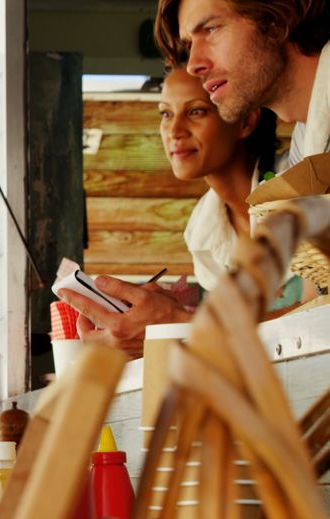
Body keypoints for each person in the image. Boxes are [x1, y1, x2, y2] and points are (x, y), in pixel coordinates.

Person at [58, 67, 289, 358]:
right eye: (165, 114)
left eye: (196, 112)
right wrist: (155, 325)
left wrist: (177, 324)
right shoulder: (202, 230)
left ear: (245, 121)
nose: (175, 131)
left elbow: (319, 311)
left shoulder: (298, 189)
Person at [154, 0, 330, 159]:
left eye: (211, 29)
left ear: (275, 19)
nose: (192, 66)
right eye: (190, 45)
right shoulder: (305, 142)